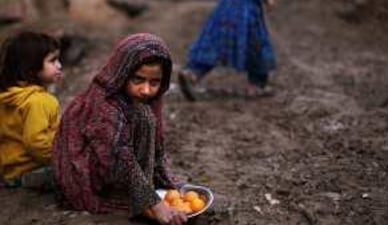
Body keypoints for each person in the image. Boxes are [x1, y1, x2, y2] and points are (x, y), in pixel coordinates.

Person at [52, 33, 187, 225]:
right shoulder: (104, 104)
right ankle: (128, 193)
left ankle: (141, 188)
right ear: (122, 73)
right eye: (138, 79)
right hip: (86, 172)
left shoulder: (144, 103)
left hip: (118, 165)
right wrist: (154, 203)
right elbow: (119, 157)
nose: (146, 90)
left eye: (154, 82)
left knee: (146, 117)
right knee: (144, 118)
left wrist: (167, 183)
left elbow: (155, 149)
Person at [178, 0, 277, 101]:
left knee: (215, 43)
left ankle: (194, 71)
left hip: (226, 7)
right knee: (256, 44)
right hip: (247, 9)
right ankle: (257, 85)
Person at [0, 31, 63, 188]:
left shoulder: (9, 95)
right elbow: (36, 144)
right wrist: (62, 156)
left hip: (10, 169)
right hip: (33, 168)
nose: (59, 65)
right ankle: (33, 181)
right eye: (53, 60)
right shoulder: (39, 101)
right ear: (31, 66)